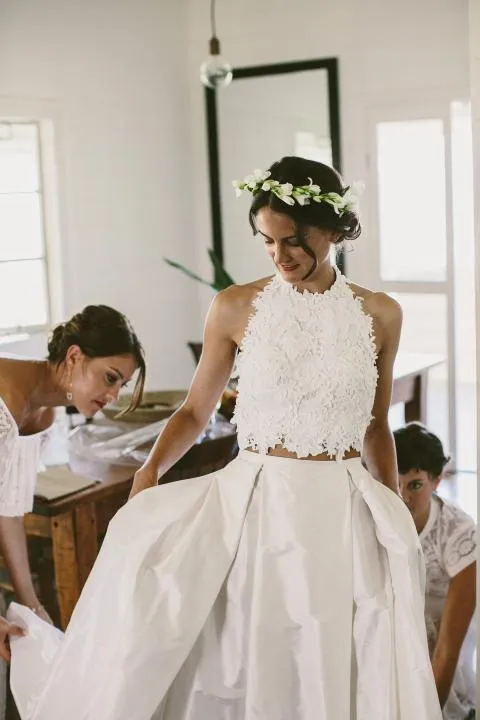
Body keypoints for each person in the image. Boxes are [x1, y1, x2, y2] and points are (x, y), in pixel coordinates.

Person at [9, 158, 442, 719]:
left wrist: (392, 502)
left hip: (342, 504)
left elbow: (377, 421)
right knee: (247, 647)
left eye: (292, 241)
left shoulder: (381, 313)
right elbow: (194, 410)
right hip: (260, 501)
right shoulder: (236, 306)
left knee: (340, 651)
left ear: (332, 231)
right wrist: (148, 473)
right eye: (266, 240)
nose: (279, 255)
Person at [0, 304, 145, 663]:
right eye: (110, 378)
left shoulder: (43, 413)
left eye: (121, 385)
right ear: (75, 355)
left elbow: (8, 510)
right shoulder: (5, 396)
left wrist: (32, 604)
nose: (113, 396)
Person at [395, 422, 476, 719]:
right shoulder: (377, 517)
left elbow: (447, 650)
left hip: (441, 642)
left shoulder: (459, 533)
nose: (402, 496)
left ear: (437, 480)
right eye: (395, 482)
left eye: (415, 484)